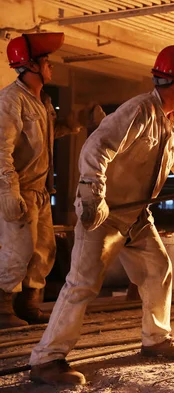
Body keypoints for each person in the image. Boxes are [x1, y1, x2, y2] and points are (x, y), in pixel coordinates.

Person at [29, 45, 174, 385]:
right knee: (82, 285)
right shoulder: (139, 111)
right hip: (105, 214)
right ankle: (46, 359)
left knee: (159, 270)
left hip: (136, 216)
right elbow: (96, 148)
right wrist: (93, 194)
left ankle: (156, 340)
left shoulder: (171, 123)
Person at [0, 32, 82, 328]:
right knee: (16, 251)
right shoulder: (11, 101)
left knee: (43, 251)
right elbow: (1, 150)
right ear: (31, 65)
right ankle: (2, 310)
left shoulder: (42, 101)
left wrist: (71, 124)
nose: (51, 66)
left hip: (41, 191)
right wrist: (8, 193)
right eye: (46, 61)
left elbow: (43, 137)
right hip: (18, 190)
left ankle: (28, 306)